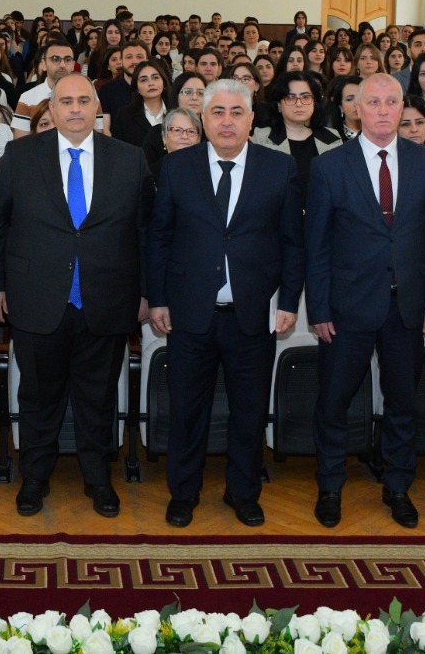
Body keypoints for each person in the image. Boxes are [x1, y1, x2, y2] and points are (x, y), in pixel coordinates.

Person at [0, 74, 153, 519]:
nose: (75, 109)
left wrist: (145, 293)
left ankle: (98, 480)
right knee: (38, 399)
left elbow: (144, 234)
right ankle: (34, 479)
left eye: (83, 101)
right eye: (66, 102)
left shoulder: (130, 158)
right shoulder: (20, 155)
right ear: (52, 109)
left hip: (108, 299)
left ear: (97, 108)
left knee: (98, 399)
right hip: (36, 299)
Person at [146, 78, 304, 528]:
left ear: (252, 119)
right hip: (190, 314)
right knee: (186, 410)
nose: (227, 121)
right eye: (218, 112)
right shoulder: (177, 167)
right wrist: (158, 299)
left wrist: (289, 301)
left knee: (249, 412)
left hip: (253, 316)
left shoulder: (279, 168)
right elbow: (159, 237)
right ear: (203, 119)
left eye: (237, 112)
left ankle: (243, 491)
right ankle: (184, 493)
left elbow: (294, 242)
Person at [307, 74, 425, 530]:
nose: (384, 111)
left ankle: (398, 486)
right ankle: (331, 486)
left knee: (403, 401)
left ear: (403, 106)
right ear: (357, 109)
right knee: (334, 401)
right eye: (374, 102)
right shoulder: (329, 166)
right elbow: (317, 246)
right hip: (346, 308)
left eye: (391, 102)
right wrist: (319, 309)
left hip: (407, 306)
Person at [252, 72, 340, 186]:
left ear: (314, 103)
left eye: (305, 97)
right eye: (290, 98)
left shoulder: (332, 138)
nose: (299, 104)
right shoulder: (262, 138)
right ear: (279, 105)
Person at [109, 60, 168, 150]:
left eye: (155, 78)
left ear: (163, 82)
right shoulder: (124, 116)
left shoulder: (177, 111)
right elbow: (117, 150)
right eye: (144, 80)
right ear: (136, 88)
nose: (151, 83)